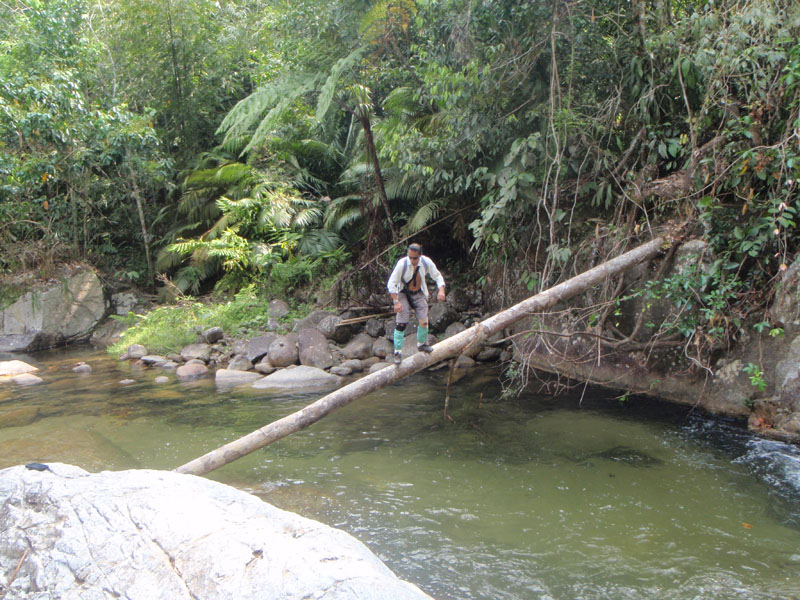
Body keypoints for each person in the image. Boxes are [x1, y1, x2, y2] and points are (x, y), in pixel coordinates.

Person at [386, 242, 446, 365]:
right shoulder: (402, 264)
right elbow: (391, 284)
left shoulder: (426, 262)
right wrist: (396, 302)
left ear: (420, 256)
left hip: (418, 292)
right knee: (401, 323)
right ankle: (397, 352)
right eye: (410, 257)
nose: (412, 260)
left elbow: (437, 276)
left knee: (424, 320)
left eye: (415, 258)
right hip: (403, 293)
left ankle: (422, 344)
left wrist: (441, 290)